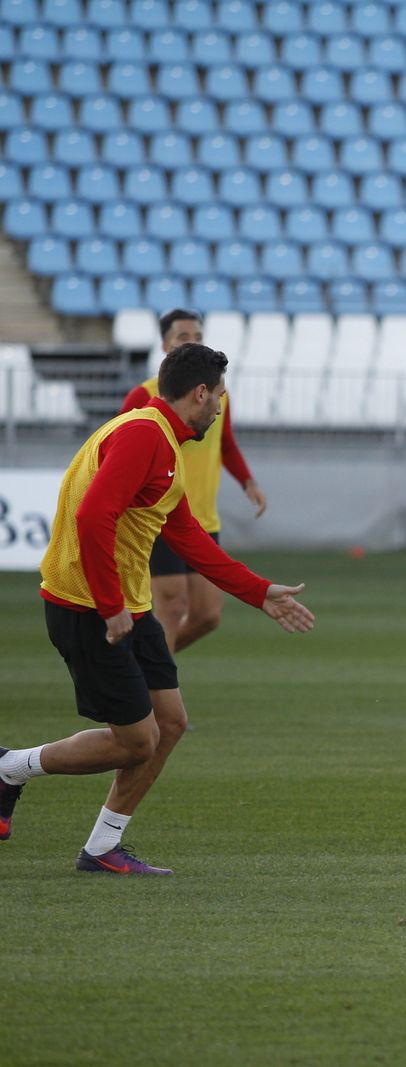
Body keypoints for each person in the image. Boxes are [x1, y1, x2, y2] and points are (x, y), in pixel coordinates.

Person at [0, 343, 314, 874]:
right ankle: (10, 768)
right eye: (218, 397)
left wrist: (259, 591)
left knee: (168, 725)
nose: (220, 408)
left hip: (130, 608)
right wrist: (109, 605)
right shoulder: (146, 436)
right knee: (136, 743)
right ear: (199, 394)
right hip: (89, 610)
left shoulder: (155, 435)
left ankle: (101, 848)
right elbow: (94, 515)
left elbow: (188, 537)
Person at [119, 308, 267, 655]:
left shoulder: (216, 395)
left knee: (207, 615)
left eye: (198, 337)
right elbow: (121, 452)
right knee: (171, 608)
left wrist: (248, 482)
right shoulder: (143, 397)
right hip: (161, 517)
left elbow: (225, 442)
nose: (192, 343)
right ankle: (158, 694)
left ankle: (143, 672)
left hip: (203, 517)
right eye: (183, 337)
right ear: (164, 345)